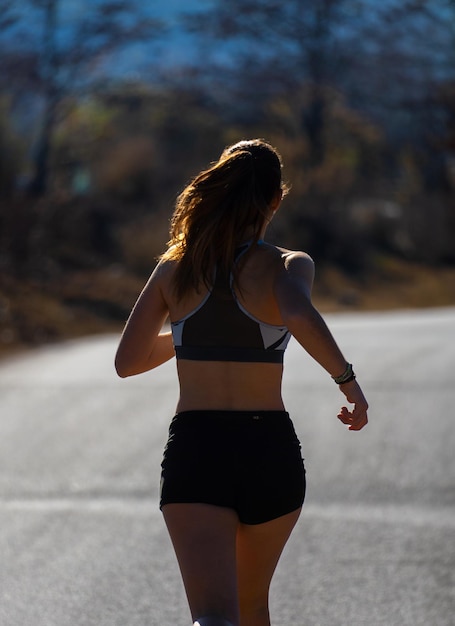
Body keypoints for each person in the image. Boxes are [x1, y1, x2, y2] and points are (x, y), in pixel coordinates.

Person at [115, 138, 368, 626]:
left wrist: (191, 330)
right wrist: (347, 382)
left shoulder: (176, 265)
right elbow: (296, 312)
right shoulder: (290, 263)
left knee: (213, 616)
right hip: (268, 449)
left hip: (197, 447)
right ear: (276, 199)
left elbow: (128, 361)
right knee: (252, 610)